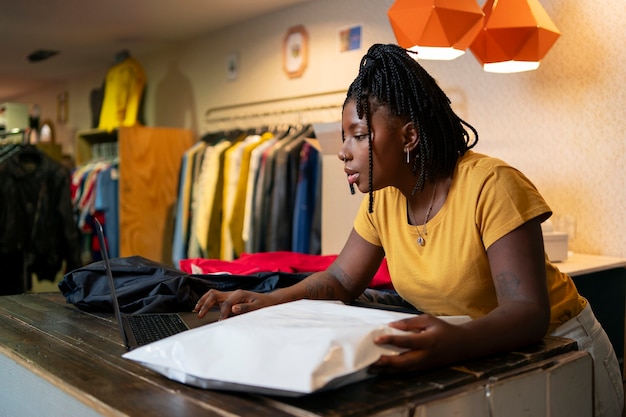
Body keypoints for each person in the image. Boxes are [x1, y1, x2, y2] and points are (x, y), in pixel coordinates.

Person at [194, 43, 623, 416]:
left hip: (563, 349)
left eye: (357, 136)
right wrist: (267, 300)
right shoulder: (384, 200)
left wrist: (453, 342)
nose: (342, 153)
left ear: (409, 136)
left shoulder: (491, 185)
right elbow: (342, 280)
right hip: (485, 355)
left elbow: (528, 312)